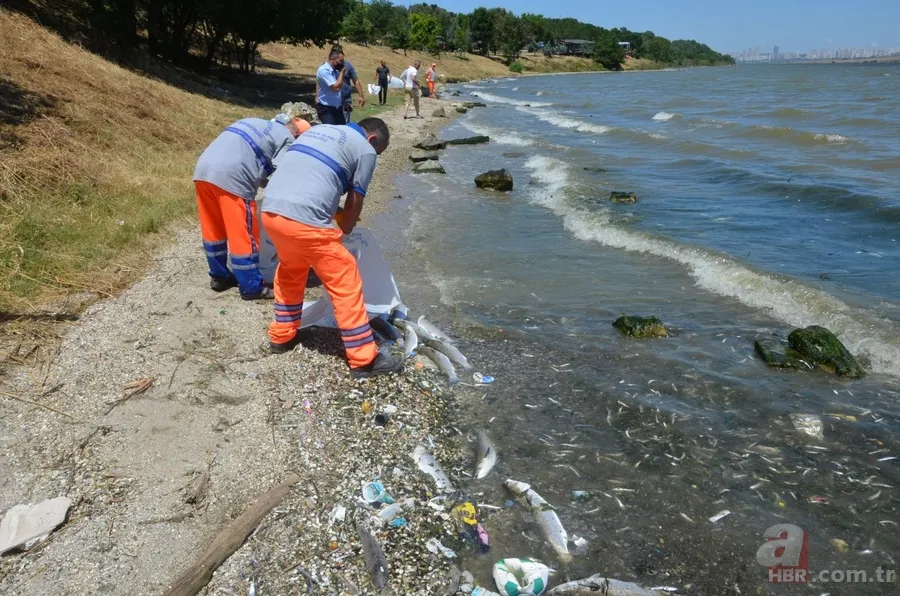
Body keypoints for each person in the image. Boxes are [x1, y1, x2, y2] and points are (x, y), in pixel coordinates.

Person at [260, 117, 404, 379]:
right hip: (305, 219)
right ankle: (363, 359)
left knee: (292, 269)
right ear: (372, 140)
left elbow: (310, 179)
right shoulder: (364, 148)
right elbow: (355, 201)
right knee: (344, 277)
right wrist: (345, 231)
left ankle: (282, 336)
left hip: (271, 211)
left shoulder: (319, 131)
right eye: (378, 152)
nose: (375, 157)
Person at [193, 115, 309, 300]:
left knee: (213, 230)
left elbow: (254, 160)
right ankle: (252, 287)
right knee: (244, 235)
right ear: (296, 134)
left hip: (203, 171)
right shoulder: (287, 138)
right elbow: (284, 172)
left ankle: (219, 277)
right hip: (233, 177)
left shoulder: (253, 122)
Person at [315, 49, 348, 125]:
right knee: (330, 131)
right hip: (326, 108)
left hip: (337, 107)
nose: (342, 63)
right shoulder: (323, 71)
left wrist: (344, 102)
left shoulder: (335, 71)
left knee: (342, 130)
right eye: (340, 61)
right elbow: (336, 87)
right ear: (333, 59)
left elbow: (339, 90)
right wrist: (342, 73)